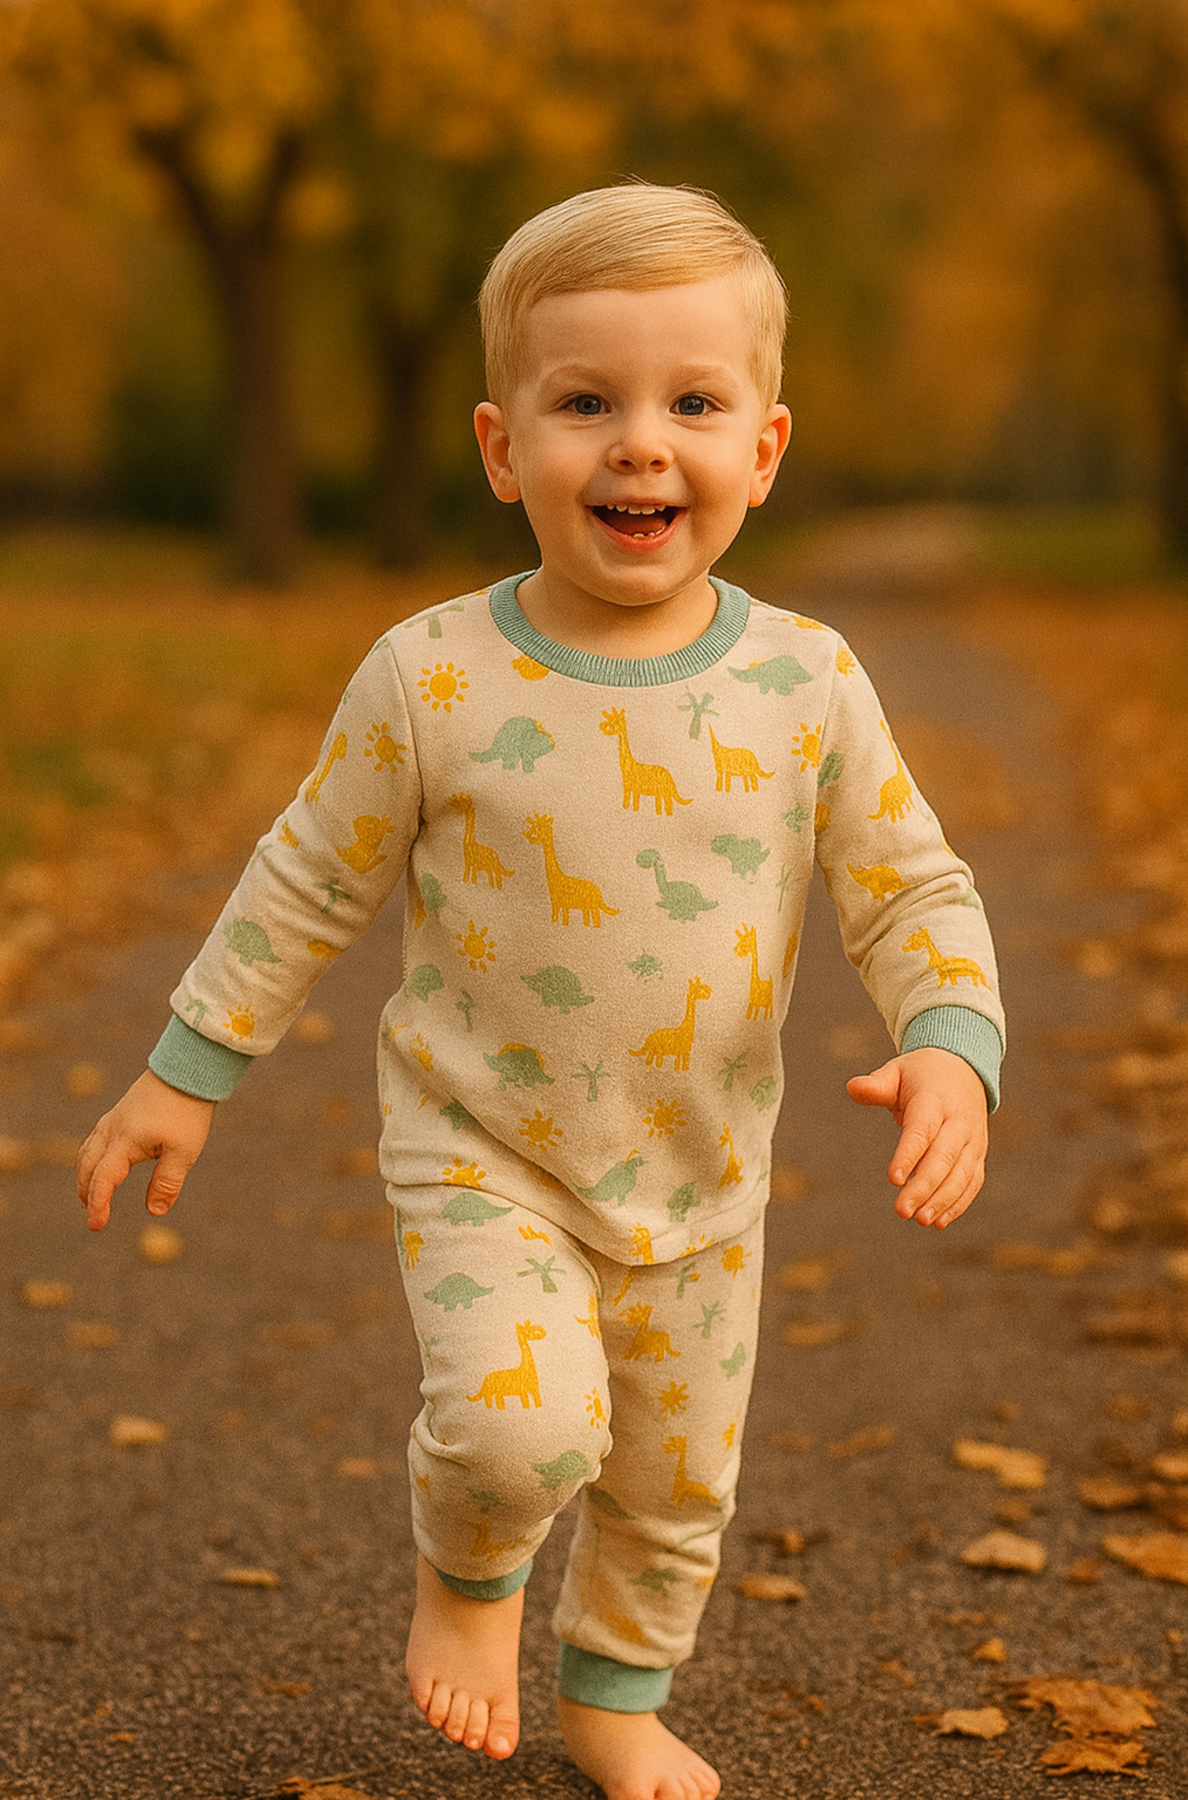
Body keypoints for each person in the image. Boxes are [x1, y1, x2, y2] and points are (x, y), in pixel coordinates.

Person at [77, 183, 1004, 1800]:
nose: (642, 445)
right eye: (589, 404)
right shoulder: (434, 678)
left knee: (670, 1482)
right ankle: (471, 1579)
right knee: (525, 1432)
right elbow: (308, 875)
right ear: (505, 451)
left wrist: (951, 1043)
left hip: (705, 1170)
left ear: (764, 451)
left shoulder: (808, 684)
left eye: (692, 404)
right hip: (484, 1146)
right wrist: (186, 1064)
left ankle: (617, 1705)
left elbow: (907, 882)